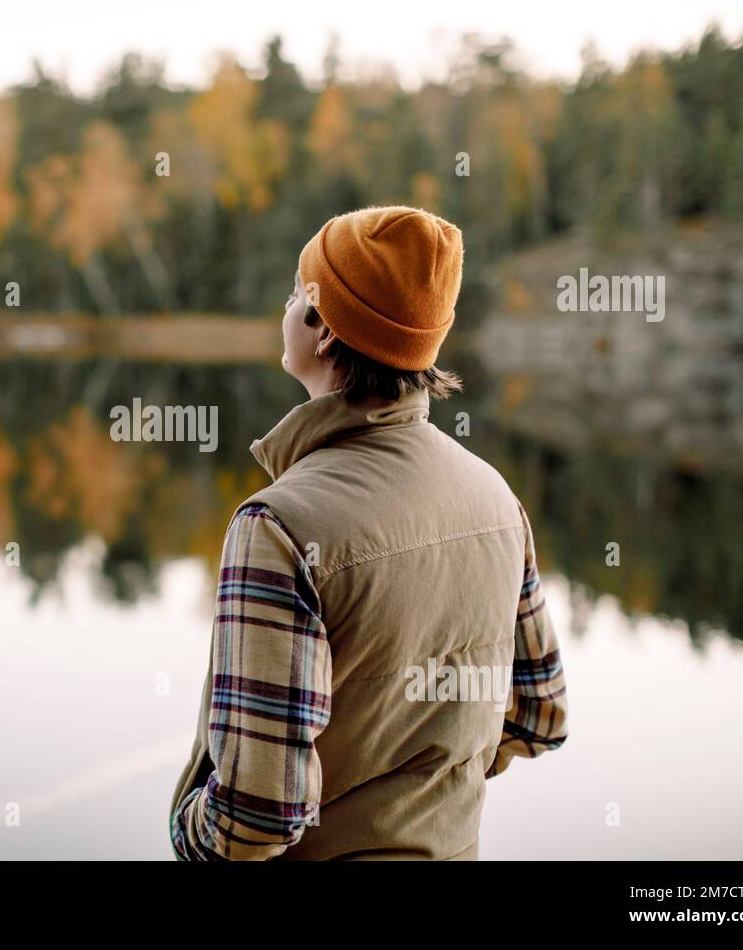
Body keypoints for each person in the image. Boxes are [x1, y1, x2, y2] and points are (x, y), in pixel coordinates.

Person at [169, 205, 568, 861]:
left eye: (300, 291)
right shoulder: (497, 497)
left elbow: (254, 823)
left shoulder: (275, 528)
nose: (287, 305)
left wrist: (185, 829)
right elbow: (539, 715)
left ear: (323, 330)